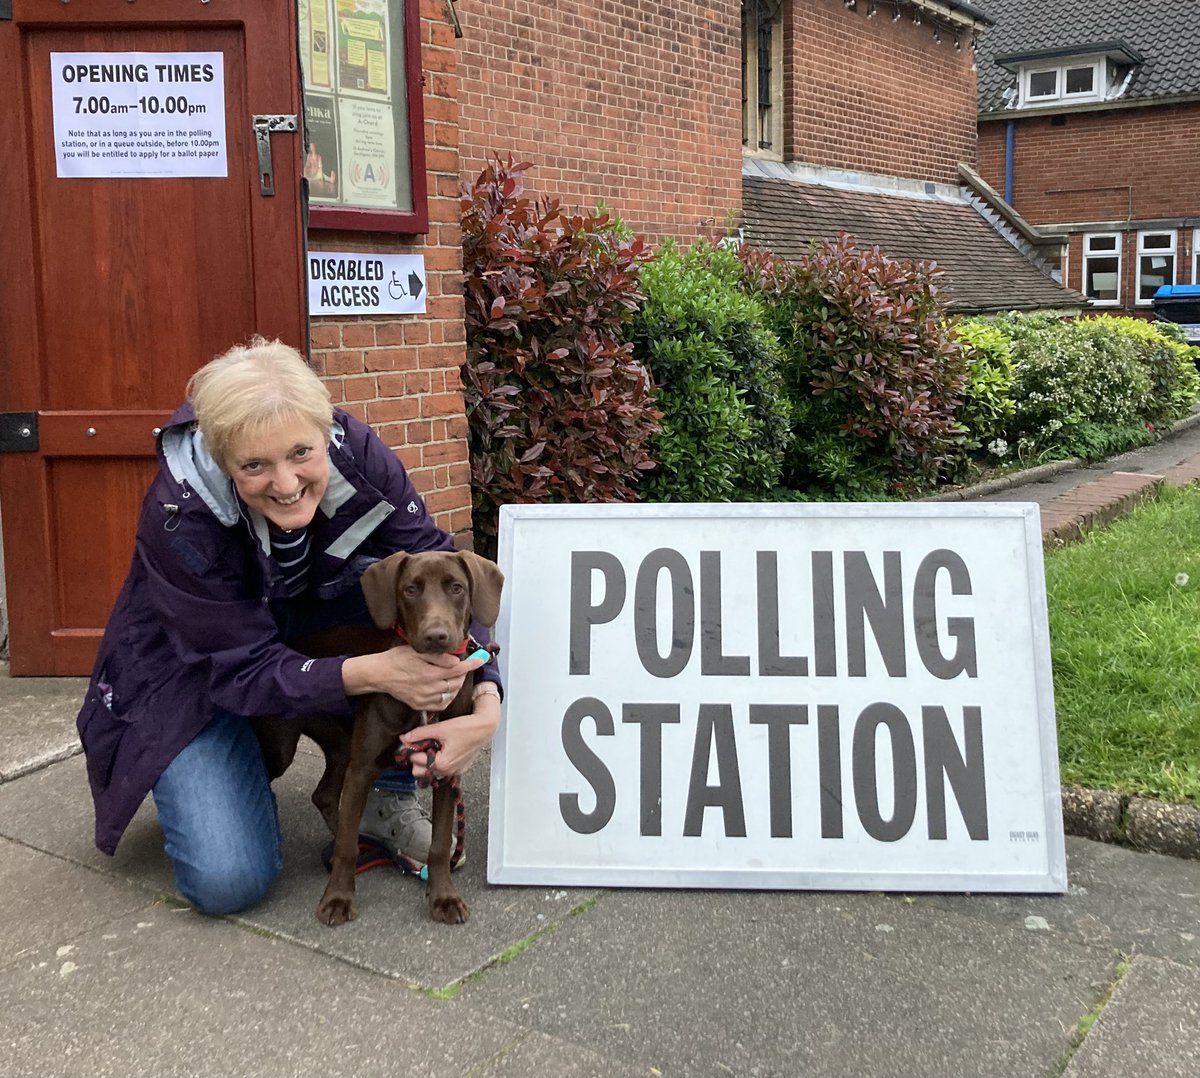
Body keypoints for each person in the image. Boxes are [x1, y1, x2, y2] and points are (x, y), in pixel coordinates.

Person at [75, 337, 502, 915]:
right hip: (197, 670)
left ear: (325, 433)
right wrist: (373, 670)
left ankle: (385, 791)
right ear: (222, 457)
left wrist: (486, 699)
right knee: (228, 879)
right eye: (254, 465)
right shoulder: (180, 519)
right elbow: (241, 665)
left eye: (301, 453)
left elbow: (438, 566)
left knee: (395, 603)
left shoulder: (361, 457)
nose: (284, 482)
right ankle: (216, 767)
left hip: (308, 627)